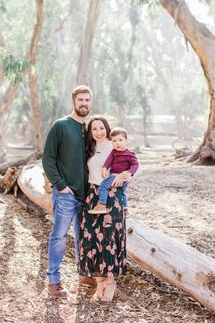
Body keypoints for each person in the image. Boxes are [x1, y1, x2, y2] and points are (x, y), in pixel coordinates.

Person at [42, 85, 92, 298]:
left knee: (83, 237)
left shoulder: (89, 129)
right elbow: (48, 159)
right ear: (73, 102)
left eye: (87, 100)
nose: (84, 103)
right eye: (80, 100)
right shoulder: (61, 126)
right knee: (60, 237)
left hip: (86, 195)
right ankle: (54, 281)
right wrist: (61, 186)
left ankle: (84, 274)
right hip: (65, 195)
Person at [79, 115, 131, 303]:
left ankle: (110, 283)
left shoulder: (115, 144)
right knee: (92, 237)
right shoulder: (89, 148)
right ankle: (99, 282)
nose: (98, 132)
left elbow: (134, 164)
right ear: (90, 132)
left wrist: (126, 174)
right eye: (94, 129)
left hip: (112, 195)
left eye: (101, 128)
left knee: (110, 238)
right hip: (92, 195)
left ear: (107, 129)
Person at [88, 127, 139, 215]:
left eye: (120, 140)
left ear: (126, 140)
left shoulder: (129, 153)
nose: (117, 143)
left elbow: (135, 165)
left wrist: (129, 172)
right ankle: (125, 208)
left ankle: (101, 205)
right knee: (122, 193)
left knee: (103, 186)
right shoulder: (114, 151)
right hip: (118, 177)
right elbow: (109, 160)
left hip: (118, 176)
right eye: (114, 141)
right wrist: (104, 167)